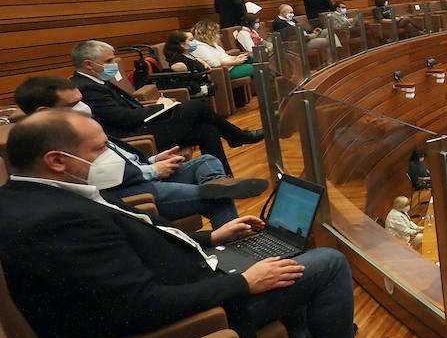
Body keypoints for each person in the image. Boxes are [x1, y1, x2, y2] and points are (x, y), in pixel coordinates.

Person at [0, 111, 394, 338]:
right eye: (99, 149)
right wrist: (244, 283)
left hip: (190, 277)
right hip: (183, 324)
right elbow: (141, 306)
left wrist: (211, 237)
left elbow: (139, 242)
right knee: (328, 263)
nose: (108, 157)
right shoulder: (57, 222)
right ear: (56, 160)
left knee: (269, 248)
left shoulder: (26, 198)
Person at [14, 77, 266, 228]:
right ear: (43, 111)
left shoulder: (77, 127)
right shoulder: (52, 145)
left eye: (81, 99)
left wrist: (155, 159)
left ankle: (215, 183)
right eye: (72, 104)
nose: (83, 106)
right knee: (218, 199)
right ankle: (237, 247)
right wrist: (152, 169)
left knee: (207, 160)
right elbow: (102, 177)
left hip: (144, 173)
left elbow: (117, 153)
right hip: (135, 190)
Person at [71, 40, 263, 176]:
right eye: (109, 61)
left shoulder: (97, 81)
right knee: (195, 106)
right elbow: (122, 118)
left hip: (142, 125)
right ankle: (237, 136)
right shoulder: (85, 87)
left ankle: (222, 179)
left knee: (207, 130)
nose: (114, 65)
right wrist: (159, 108)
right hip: (137, 138)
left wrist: (157, 106)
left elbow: (128, 109)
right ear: (88, 65)